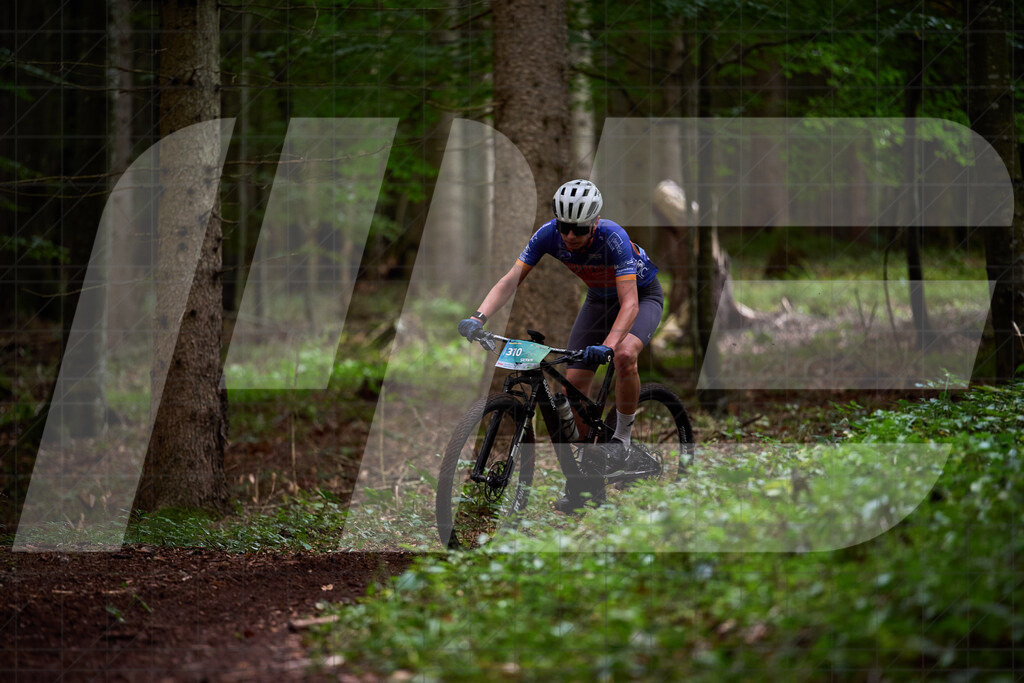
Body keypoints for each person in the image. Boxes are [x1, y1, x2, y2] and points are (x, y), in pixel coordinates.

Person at [457, 179, 663, 508]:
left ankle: (622, 439)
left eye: (579, 229)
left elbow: (630, 305)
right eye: (564, 226)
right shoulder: (547, 235)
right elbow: (512, 278)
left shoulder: (614, 237)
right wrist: (478, 317)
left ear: (594, 222)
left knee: (624, 354)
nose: (569, 236)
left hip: (641, 296)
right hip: (598, 300)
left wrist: (608, 346)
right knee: (572, 391)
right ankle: (588, 482)